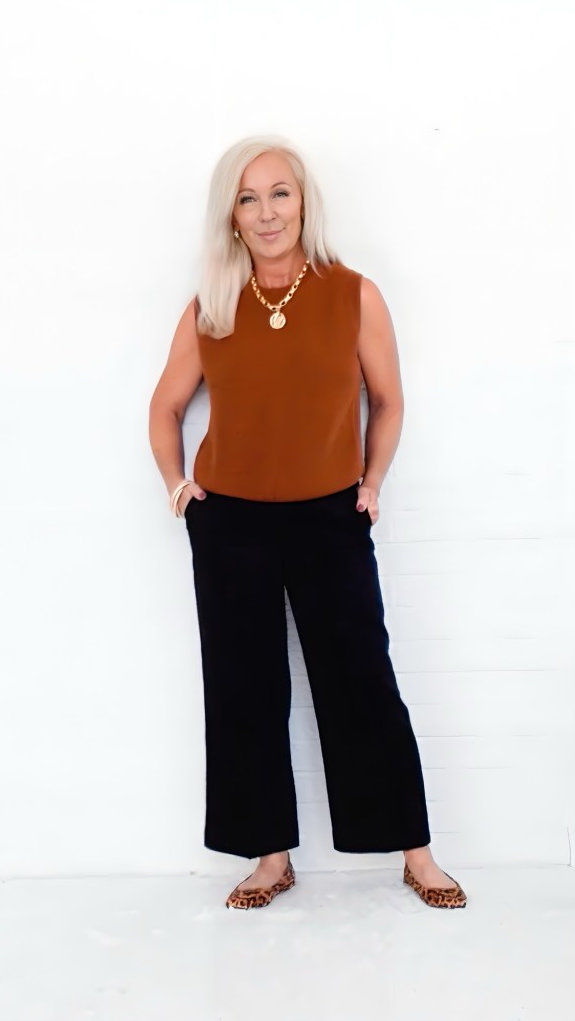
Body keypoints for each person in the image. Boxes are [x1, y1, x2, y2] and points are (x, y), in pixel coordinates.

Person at [148, 136, 467, 911]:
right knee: (244, 689)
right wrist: (178, 486)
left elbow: (388, 401)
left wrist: (374, 479)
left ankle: (415, 851)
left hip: (330, 517)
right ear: (233, 215)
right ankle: (270, 857)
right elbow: (164, 407)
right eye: (249, 198)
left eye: (280, 193)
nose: (267, 212)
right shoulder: (212, 305)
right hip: (231, 525)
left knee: (362, 680)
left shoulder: (353, 294)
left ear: (303, 201)